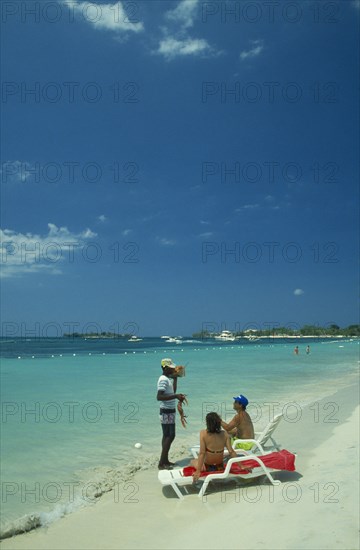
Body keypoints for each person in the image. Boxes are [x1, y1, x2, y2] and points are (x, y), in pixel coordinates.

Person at [156, 358, 186, 470]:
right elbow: (159, 397)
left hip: (169, 410)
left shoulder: (167, 379)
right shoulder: (163, 379)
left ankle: (165, 460)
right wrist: (176, 396)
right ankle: (161, 463)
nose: (173, 369)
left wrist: (175, 379)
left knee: (166, 436)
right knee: (171, 435)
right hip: (166, 411)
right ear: (165, 368)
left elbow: (171, 392)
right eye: (171, 367)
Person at [190, 412, 238, 482]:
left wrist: (198, 471)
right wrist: (241, 465)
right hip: (220, 467)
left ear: (208, 423)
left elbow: (202, 453)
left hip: (207, 467)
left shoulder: (203, 433)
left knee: (192, 461)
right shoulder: (225, 434)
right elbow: (231, 451)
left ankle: (197, 468)